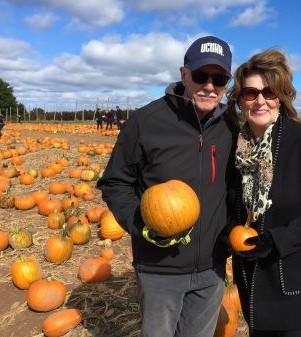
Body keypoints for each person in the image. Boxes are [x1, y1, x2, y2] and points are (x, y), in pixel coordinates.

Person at [97, 36, 238, 337]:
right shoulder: (147, 121)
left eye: (220, 78)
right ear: (184, 74)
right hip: (158, 269)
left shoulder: (232, 126)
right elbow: (114, 182)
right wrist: (141, 224)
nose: (210, 86)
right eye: (201, 76)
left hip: (212, 269)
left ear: (228, 82)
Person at [225, 49, 301, 337]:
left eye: (269, 92)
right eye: (250, 93)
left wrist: (277, 240)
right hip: (252, 281)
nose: (260, 100)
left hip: (295, 282)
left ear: (280, 96)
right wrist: (229, 231)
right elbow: (233, 205)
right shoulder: (236, 148)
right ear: (240, 100)